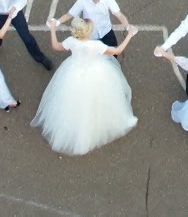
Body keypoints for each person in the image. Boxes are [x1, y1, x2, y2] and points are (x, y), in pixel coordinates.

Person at [32, 17, 139, 155]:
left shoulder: (71, 41)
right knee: (101, 99)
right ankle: (99, 126)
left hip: (74, 73)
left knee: (74, 103)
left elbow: (56, 46)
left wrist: (53, 29)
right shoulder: (96, 45)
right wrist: (129, 35)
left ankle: (77, 130)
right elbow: (117, 50)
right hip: (96, 73)